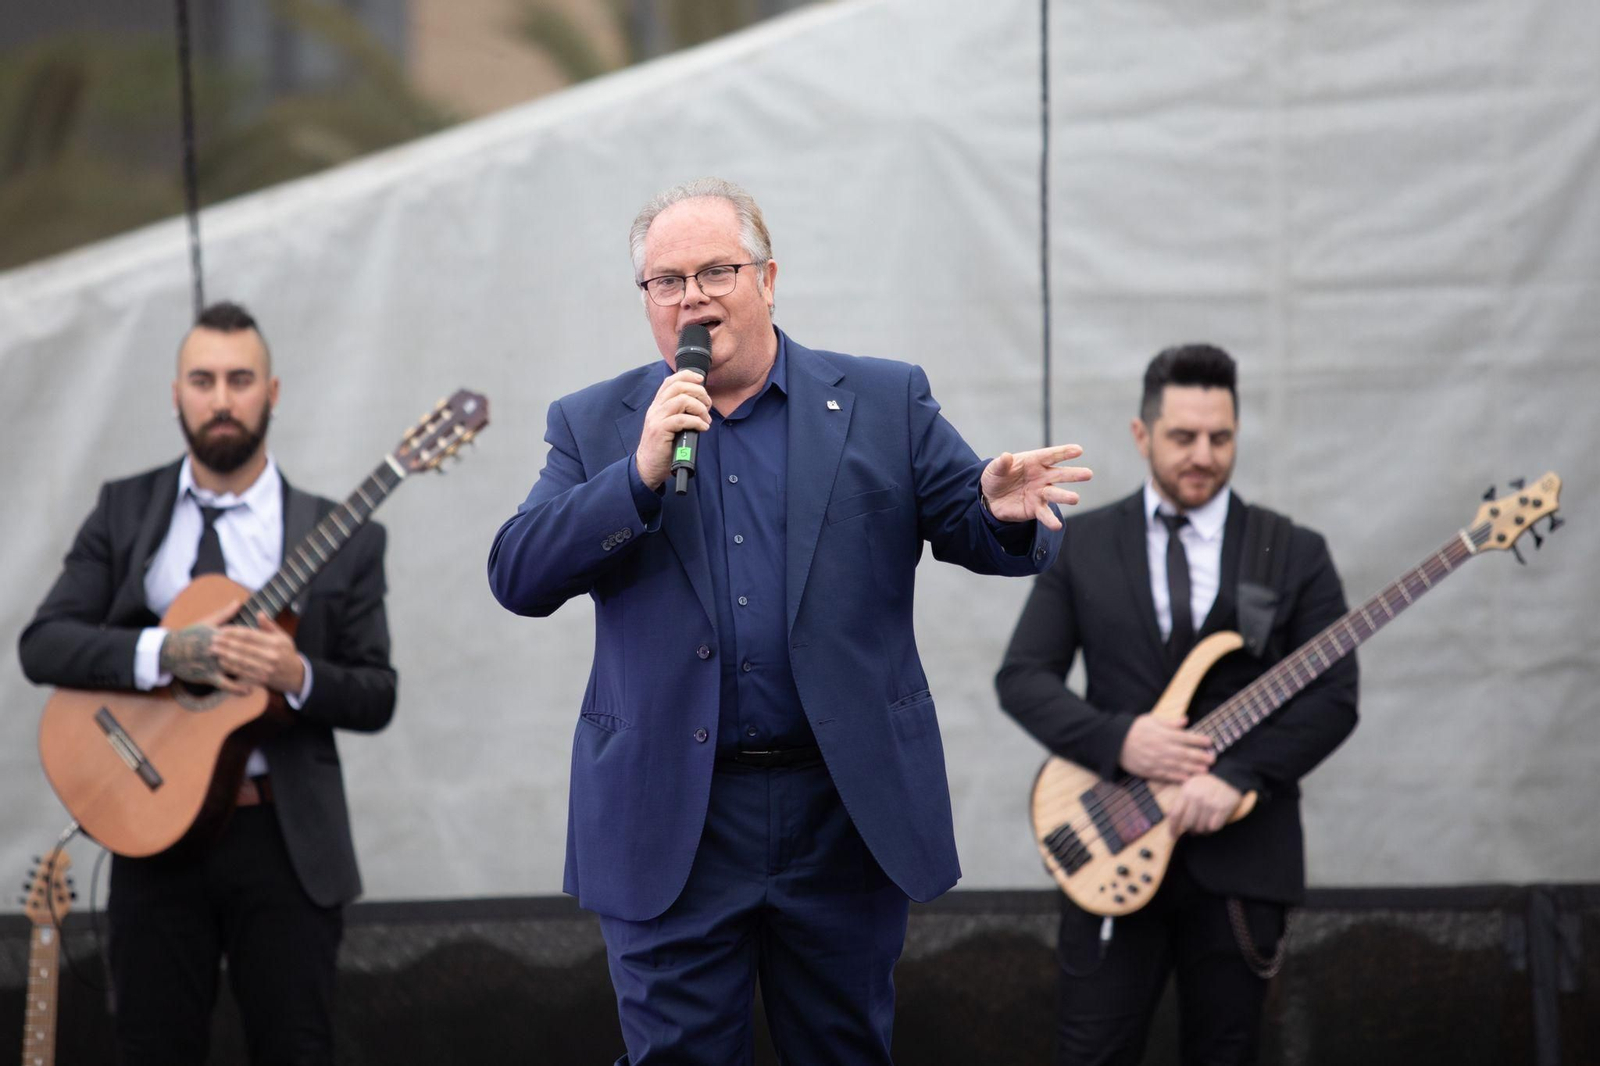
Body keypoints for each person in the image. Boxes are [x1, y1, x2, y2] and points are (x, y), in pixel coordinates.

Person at [487, 176, 1091, 1063]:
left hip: (839, 808)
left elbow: (973, 524)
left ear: (768, 280)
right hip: (672, 817)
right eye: (667, 281)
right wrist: (637, 477)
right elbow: (518, 572)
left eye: (716, 272)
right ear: (646, 299)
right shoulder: (598, 424)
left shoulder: (883, 401)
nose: (692, 298)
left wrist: (997, 510)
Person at [18, 301, 396, 1066]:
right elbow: (43, 644)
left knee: (296, 1048)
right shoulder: (125, 510)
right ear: (176, 394)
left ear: (272, 392)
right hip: (149, 821)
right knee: (152, 1048)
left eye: (239, 380)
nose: (221, 399)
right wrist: (167, 653)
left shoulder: (344, 536)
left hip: (285, 840)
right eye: (203, 380)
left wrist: (297, 675)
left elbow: (376, 693)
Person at [995, 344, 1358, 1066]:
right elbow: (1023, 678)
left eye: (1220, 438)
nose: (1202, 456)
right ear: (1142, 434)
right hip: (1111, 841)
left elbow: (1335, 698)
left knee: (1226, 1052)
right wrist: (1120, 739)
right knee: (1091, 1052)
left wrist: (1240, 777)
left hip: (1240, 860)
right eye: (1183, 436)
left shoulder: (1292, 552)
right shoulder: (1083, 544)